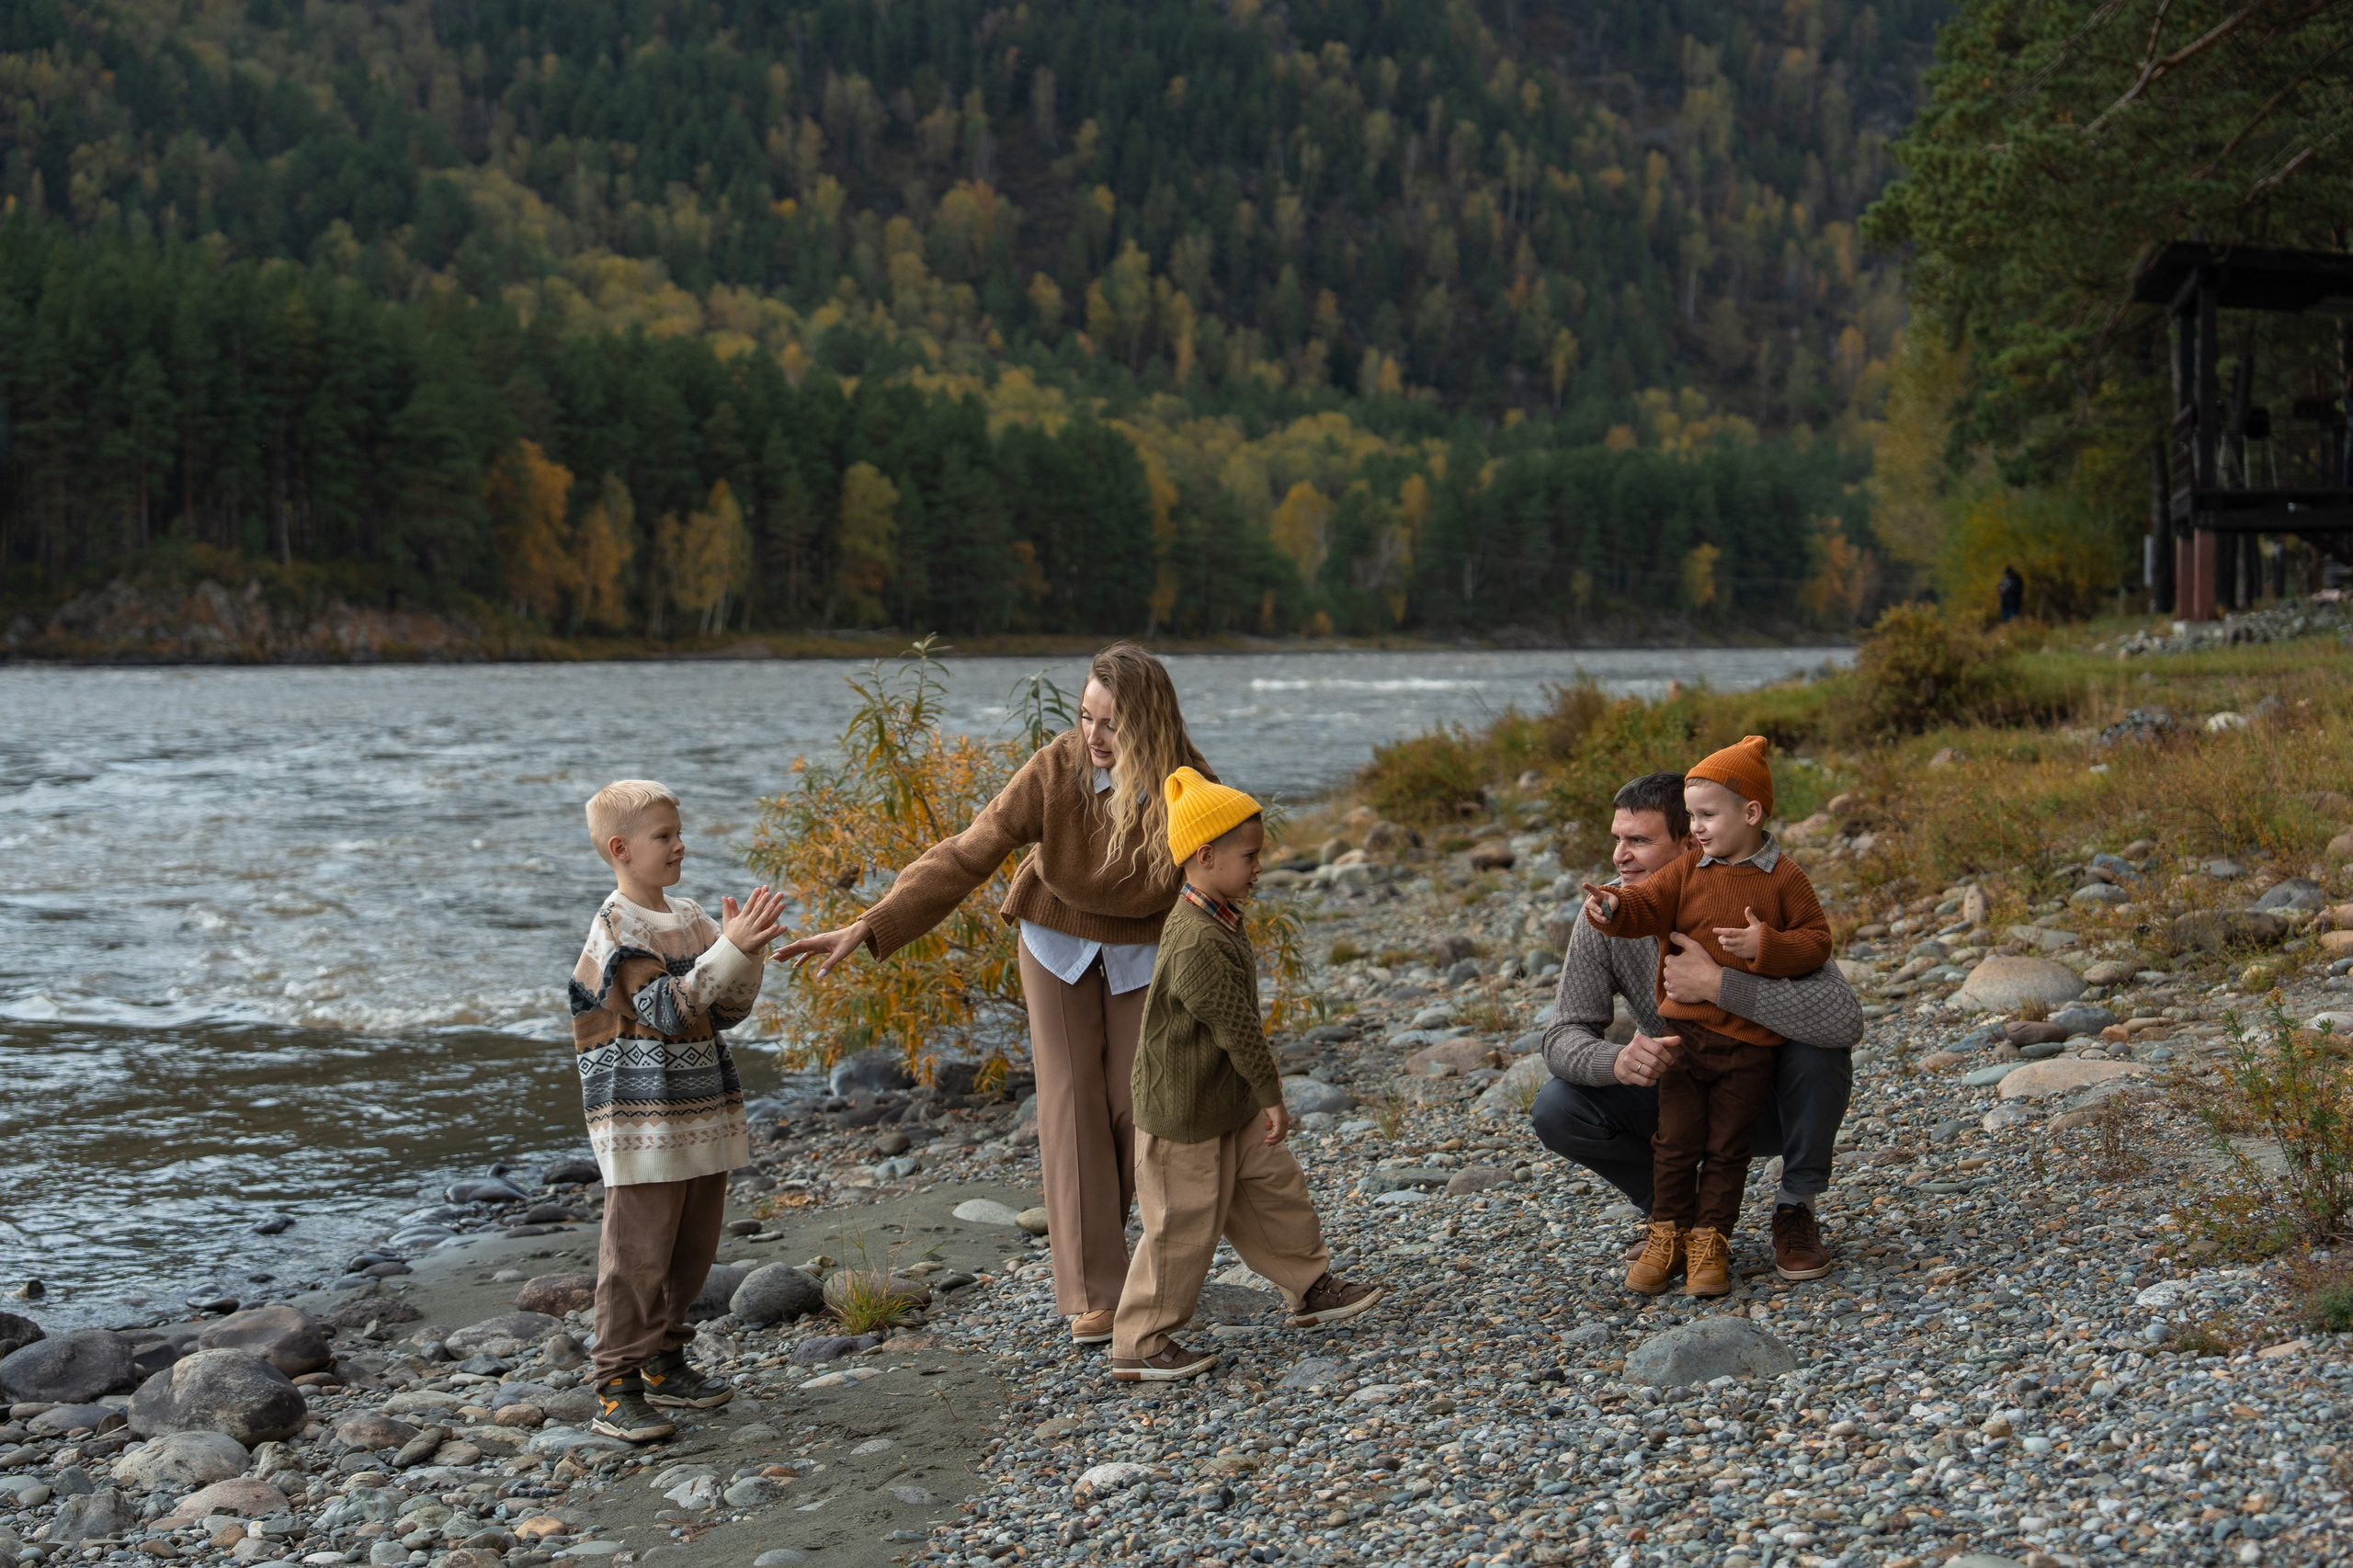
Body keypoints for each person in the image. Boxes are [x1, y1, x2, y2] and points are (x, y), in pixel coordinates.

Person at [775, 643, 1210, 1345]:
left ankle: (1145, 1258)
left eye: (1111, 725)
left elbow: (1218, 884)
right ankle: (1096, 1291)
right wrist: (871, 923)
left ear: (1149, 728)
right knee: (1070, 1104)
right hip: (1054, 940)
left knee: (1141, 1105)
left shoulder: (1189, 787)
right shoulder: (1055, 769)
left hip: (1146, 950)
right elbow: (968, 851)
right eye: (1084, 717)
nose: (1092, 738)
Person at [1108, 768, 1381, 1381]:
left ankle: (1309, 1286)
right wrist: (1272, 1096)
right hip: (1183, 1115)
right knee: (1180, 1228)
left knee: (1272, 1192)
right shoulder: (1196, 940)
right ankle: (1139, 1342)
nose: (1259, 866)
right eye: (1250, 856)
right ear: (1204, 856)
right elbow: (1236, 1028)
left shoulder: (1222, 916)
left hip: (1223, 1102)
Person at [1532, 772, 1860, 1283]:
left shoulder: (1757, 899)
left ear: (1692, 840)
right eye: (1618, 840)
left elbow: (1842, 1018)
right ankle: (1674, 1216)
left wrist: (1718, 985)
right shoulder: (1608, 914)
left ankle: (1794, 1209)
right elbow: (1561, 1035)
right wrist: (1615, 1060)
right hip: (1681, 1089)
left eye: (1639, 841)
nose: (1620, 856)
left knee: (1821, 1055)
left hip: (1763, 1096)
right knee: (1558, 1106)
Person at [570, 779, 787, 1443]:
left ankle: (667, 1359)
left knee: (691, 1248)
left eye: (676, 831)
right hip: (642, 1120)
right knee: (637, 1253)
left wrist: (745, 952)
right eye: (663, 836)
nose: (678, 844)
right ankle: (616, 1383)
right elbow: (665, 1009)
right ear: (620, 849)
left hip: (700, 1109)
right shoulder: (616, 927)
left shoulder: (689, 915)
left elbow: (725, 1010)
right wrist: (729, 950)